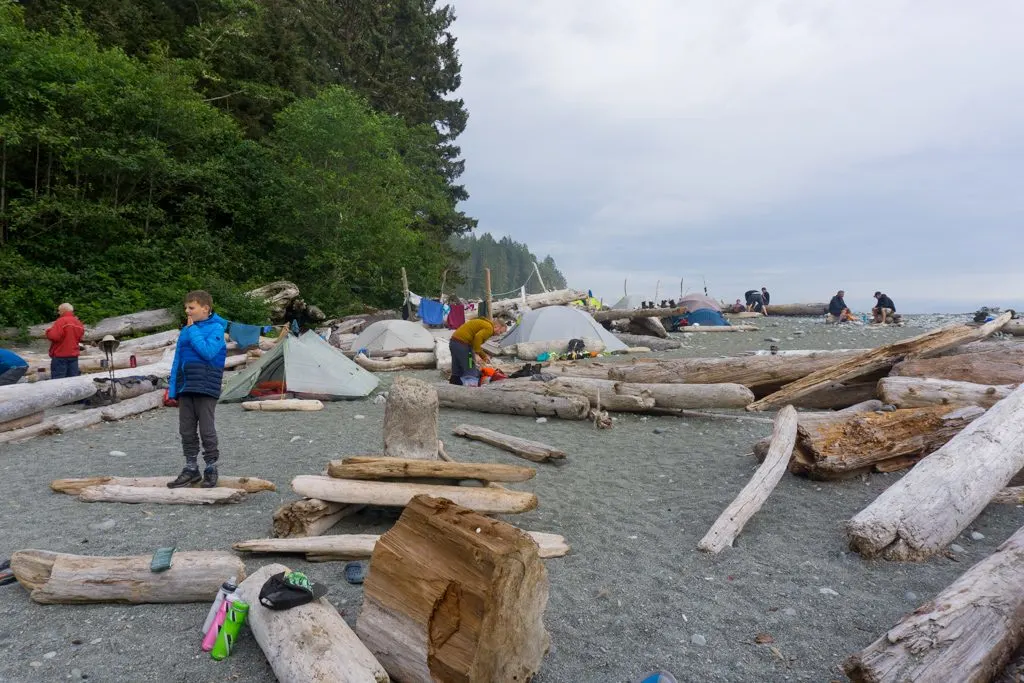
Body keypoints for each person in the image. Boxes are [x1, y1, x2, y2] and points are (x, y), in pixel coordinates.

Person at [167, 291, 228, 489]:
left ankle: (211, 468)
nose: (187, 311)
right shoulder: (186, 331)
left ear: (205, 308)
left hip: (205, 387)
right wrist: (173, 389)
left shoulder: (216, 328)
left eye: (191, 307)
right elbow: (178, 361)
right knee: (186, 430)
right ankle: (191, 468)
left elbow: (208, 352)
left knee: (206, 430)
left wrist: (192, 331)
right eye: (186, 307)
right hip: (186, 387)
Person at [449, 316, 508, 385]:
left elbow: (476, 344)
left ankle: (454, 385)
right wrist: (476, 354)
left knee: (457, 368)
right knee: (470, 366)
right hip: (463, 344)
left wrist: (484, 356)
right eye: (500, 332)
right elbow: (478, 337)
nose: (498, 334)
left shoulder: (486, 324)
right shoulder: (489, 328)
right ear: (497, 326)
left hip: (454, 342)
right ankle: (471, 388)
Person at [45, 303, 85, 379]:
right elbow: (80, 338)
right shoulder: (78, 323)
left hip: (60, 356)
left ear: (63, 310)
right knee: (72, 380)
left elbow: (54, 337)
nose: (58, 312)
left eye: (59, 310)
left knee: (58, 381)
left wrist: (48, 331)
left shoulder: (61, 321)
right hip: (73, 356)